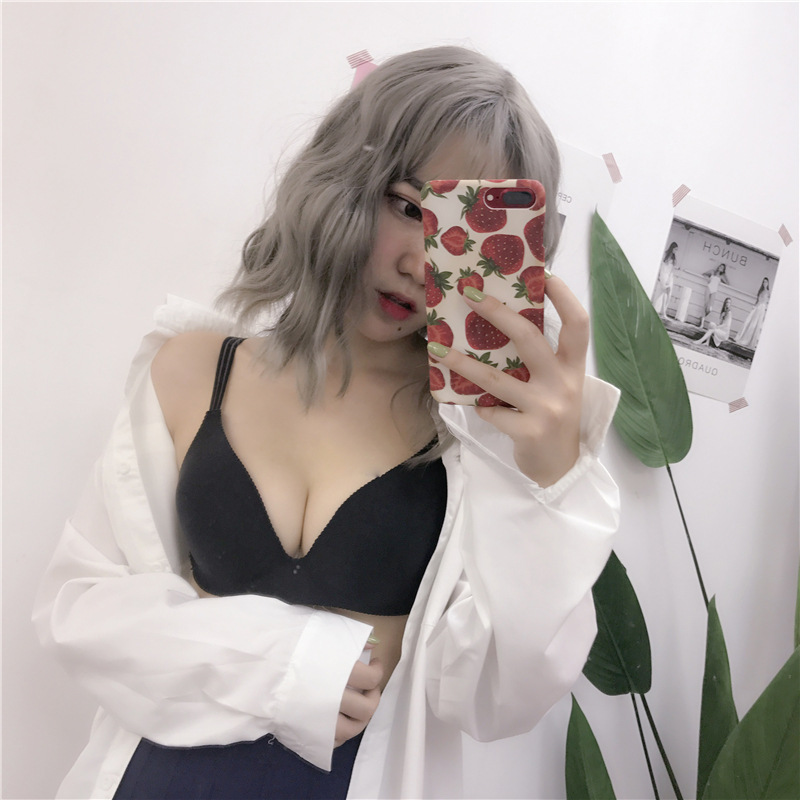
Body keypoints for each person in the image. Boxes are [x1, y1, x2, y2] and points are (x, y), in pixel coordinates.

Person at [33, 46, 620, 799]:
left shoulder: (483, 446)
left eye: (457, 229)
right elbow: (78, 610)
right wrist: (292, 662)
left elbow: (497, 701)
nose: (421, 262)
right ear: (344, 181)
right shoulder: (191, 369)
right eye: (406, 206)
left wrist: (548, 486)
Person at [734, 277, 770, 348]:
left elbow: (765, 301)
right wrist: (754, 306)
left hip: (761, 308)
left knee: (756, 324)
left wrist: (763, 308)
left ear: (768, 283)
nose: (764, 283)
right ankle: (745, 338)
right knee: (750, 322)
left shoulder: (768, 292)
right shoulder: (761, 291)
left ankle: (752, 341)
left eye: (766, 282)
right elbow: (758, 300)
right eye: (763, 282)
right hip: (758, 307)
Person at [652, 241, 679, 317]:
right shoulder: (665, 255)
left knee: (668, 294)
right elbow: (661, 266)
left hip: (669, 276)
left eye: (677, 250)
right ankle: (662, 312)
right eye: (675, 249)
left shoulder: (674, 258)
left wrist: (669, 278)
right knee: (663, 293)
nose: (676, 251)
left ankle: (663, 311)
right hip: (664, 275)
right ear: (672, 248)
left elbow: (672, 269)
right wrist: (659, 275)